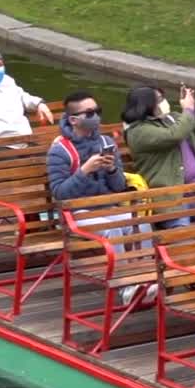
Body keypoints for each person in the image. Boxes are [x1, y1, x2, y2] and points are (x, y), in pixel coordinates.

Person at [48, 91, 151, 303]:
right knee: (112, 229)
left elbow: (120, 187)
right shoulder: (60, 151)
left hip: (106, 207)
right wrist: (84, 171)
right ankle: (124, 287)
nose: (96, 116)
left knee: (140, 225)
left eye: (98, 111)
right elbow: (59, 194)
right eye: (90, 113)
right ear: (74, 120)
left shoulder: (105, 142)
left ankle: (146, 279)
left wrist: (113, 169)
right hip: (76, 213)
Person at [121, 84, 195, 228]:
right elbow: (174, 135)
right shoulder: (138, 131)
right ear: (146, 105)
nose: (163, 102)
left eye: (163, 97)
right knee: (182, 232)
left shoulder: (173, 118)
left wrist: (194, 105)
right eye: (159, 99)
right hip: (171, 198)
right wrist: (187, 109)